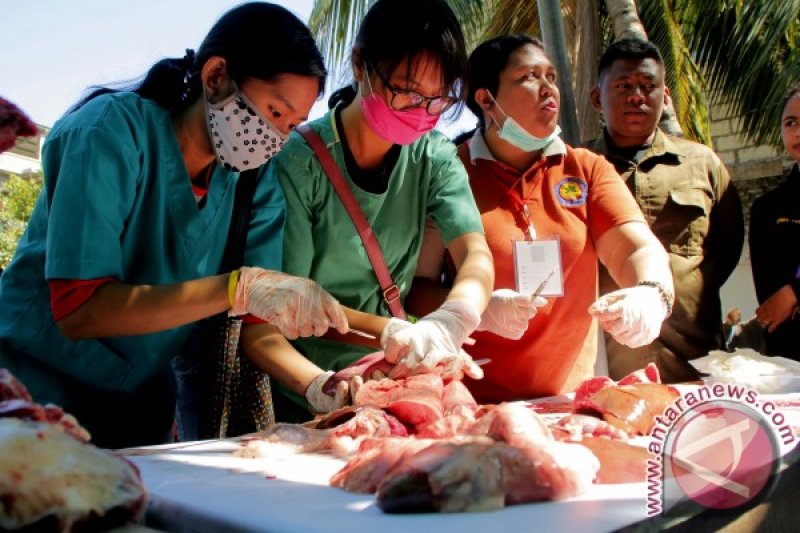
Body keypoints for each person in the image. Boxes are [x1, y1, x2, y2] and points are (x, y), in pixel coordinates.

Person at [0, 3, 348, 448]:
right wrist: (233, 288)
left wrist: (321, 384)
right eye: (274, 112)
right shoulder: (108, 133)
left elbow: (260, 326)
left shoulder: (253, 188)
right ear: (216, 75)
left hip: (137, 409)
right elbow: (79, 308)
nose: (275, 138)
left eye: (291, 126)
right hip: (35, 391)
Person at [248, 0, 493, 422]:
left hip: (392, 383)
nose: (422, 113)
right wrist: (324, 383)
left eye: (438, 101)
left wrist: (459, 314)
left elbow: (473, 253)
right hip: (308, 389)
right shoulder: (298, 163)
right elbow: (277, 316)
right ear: (360, 65)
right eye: (406, 92)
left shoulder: (432, 155)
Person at [408, 34, 674, 403]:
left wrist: (651, 294)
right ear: (486, 99)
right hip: (470, 403)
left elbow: (636, 247)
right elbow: (416, 290)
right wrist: (476, 310)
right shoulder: (450, 173)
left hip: (567, 403)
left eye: (551, 76)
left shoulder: (586, 168)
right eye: (529, 77)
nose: (549, 88)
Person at [586, 38, 744, 383]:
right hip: (608, 360)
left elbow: (725, 250)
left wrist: (685, 288)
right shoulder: (577, 169)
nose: (637, 96)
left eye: (648, 86)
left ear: (666, 96)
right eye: (624, 86)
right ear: (597, 98)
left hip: (694, 353)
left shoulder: (702, 164)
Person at [749, 84, 800, 360]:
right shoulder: (768, 209)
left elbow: (786, 297)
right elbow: (771, 304)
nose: (798, 132)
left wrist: (795, 293)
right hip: (789, 360)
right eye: (791, 122)